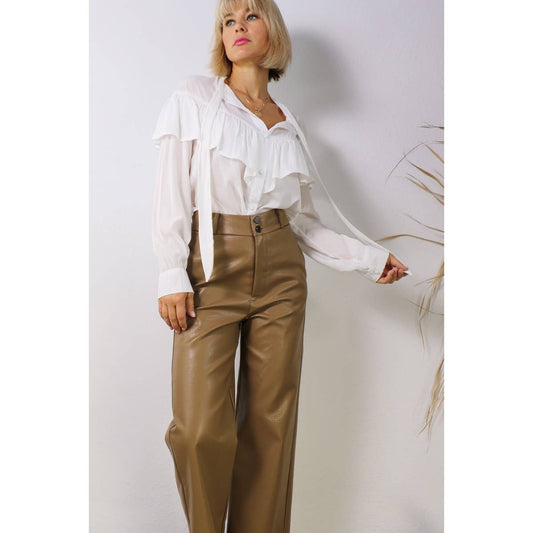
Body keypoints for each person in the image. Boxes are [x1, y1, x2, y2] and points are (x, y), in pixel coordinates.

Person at [151, 0, 409, 531]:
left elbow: (305, 225)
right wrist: (172, 271)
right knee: (198, 431)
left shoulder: (291, 126)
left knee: (271, 427)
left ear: (273, 31)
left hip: (282, 274)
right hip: (211, 267)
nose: (238, 27)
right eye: (228, 21)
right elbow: (171, 191)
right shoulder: (195, 98)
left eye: (250, 16)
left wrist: (369, 259)